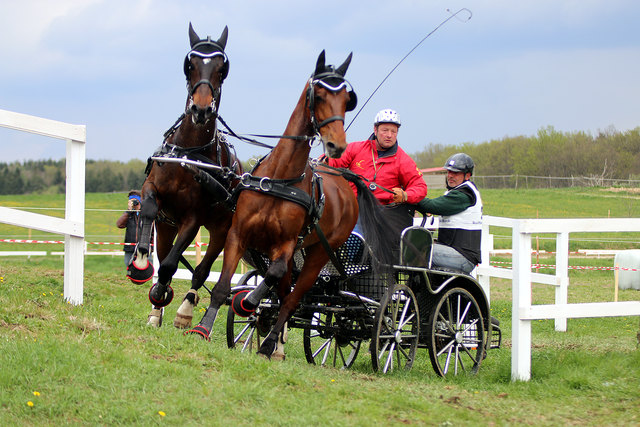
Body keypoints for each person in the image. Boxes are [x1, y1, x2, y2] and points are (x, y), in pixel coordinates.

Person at [327, 109, 428, 236]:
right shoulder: (356, 148)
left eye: (393, 131)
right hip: (351, 207)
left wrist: (405, 195)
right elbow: (332, 163)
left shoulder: (403, 160)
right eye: (385, 130)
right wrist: (325, 158)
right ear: (375, 130)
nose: (389, 135)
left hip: (381, 214)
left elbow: (420, 187)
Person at [417, 153, 482, 274]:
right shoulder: (455, 191)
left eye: (455, 173)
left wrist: (409, 196)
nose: (450, 176)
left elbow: (432, 206)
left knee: (419, 250)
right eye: (449, 172)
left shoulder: (464, 194)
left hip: (463, 257)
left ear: (467, 175)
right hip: (453, 251)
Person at [116, 190, 141, 267]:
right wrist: (128, 211)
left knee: (146, 266)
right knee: (128, 264)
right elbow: (119, 224)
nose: (133, 203)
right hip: (129, 246)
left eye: (135, 200)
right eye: (131, 201)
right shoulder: (129, 214)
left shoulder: (144, 213)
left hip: (143, 246)